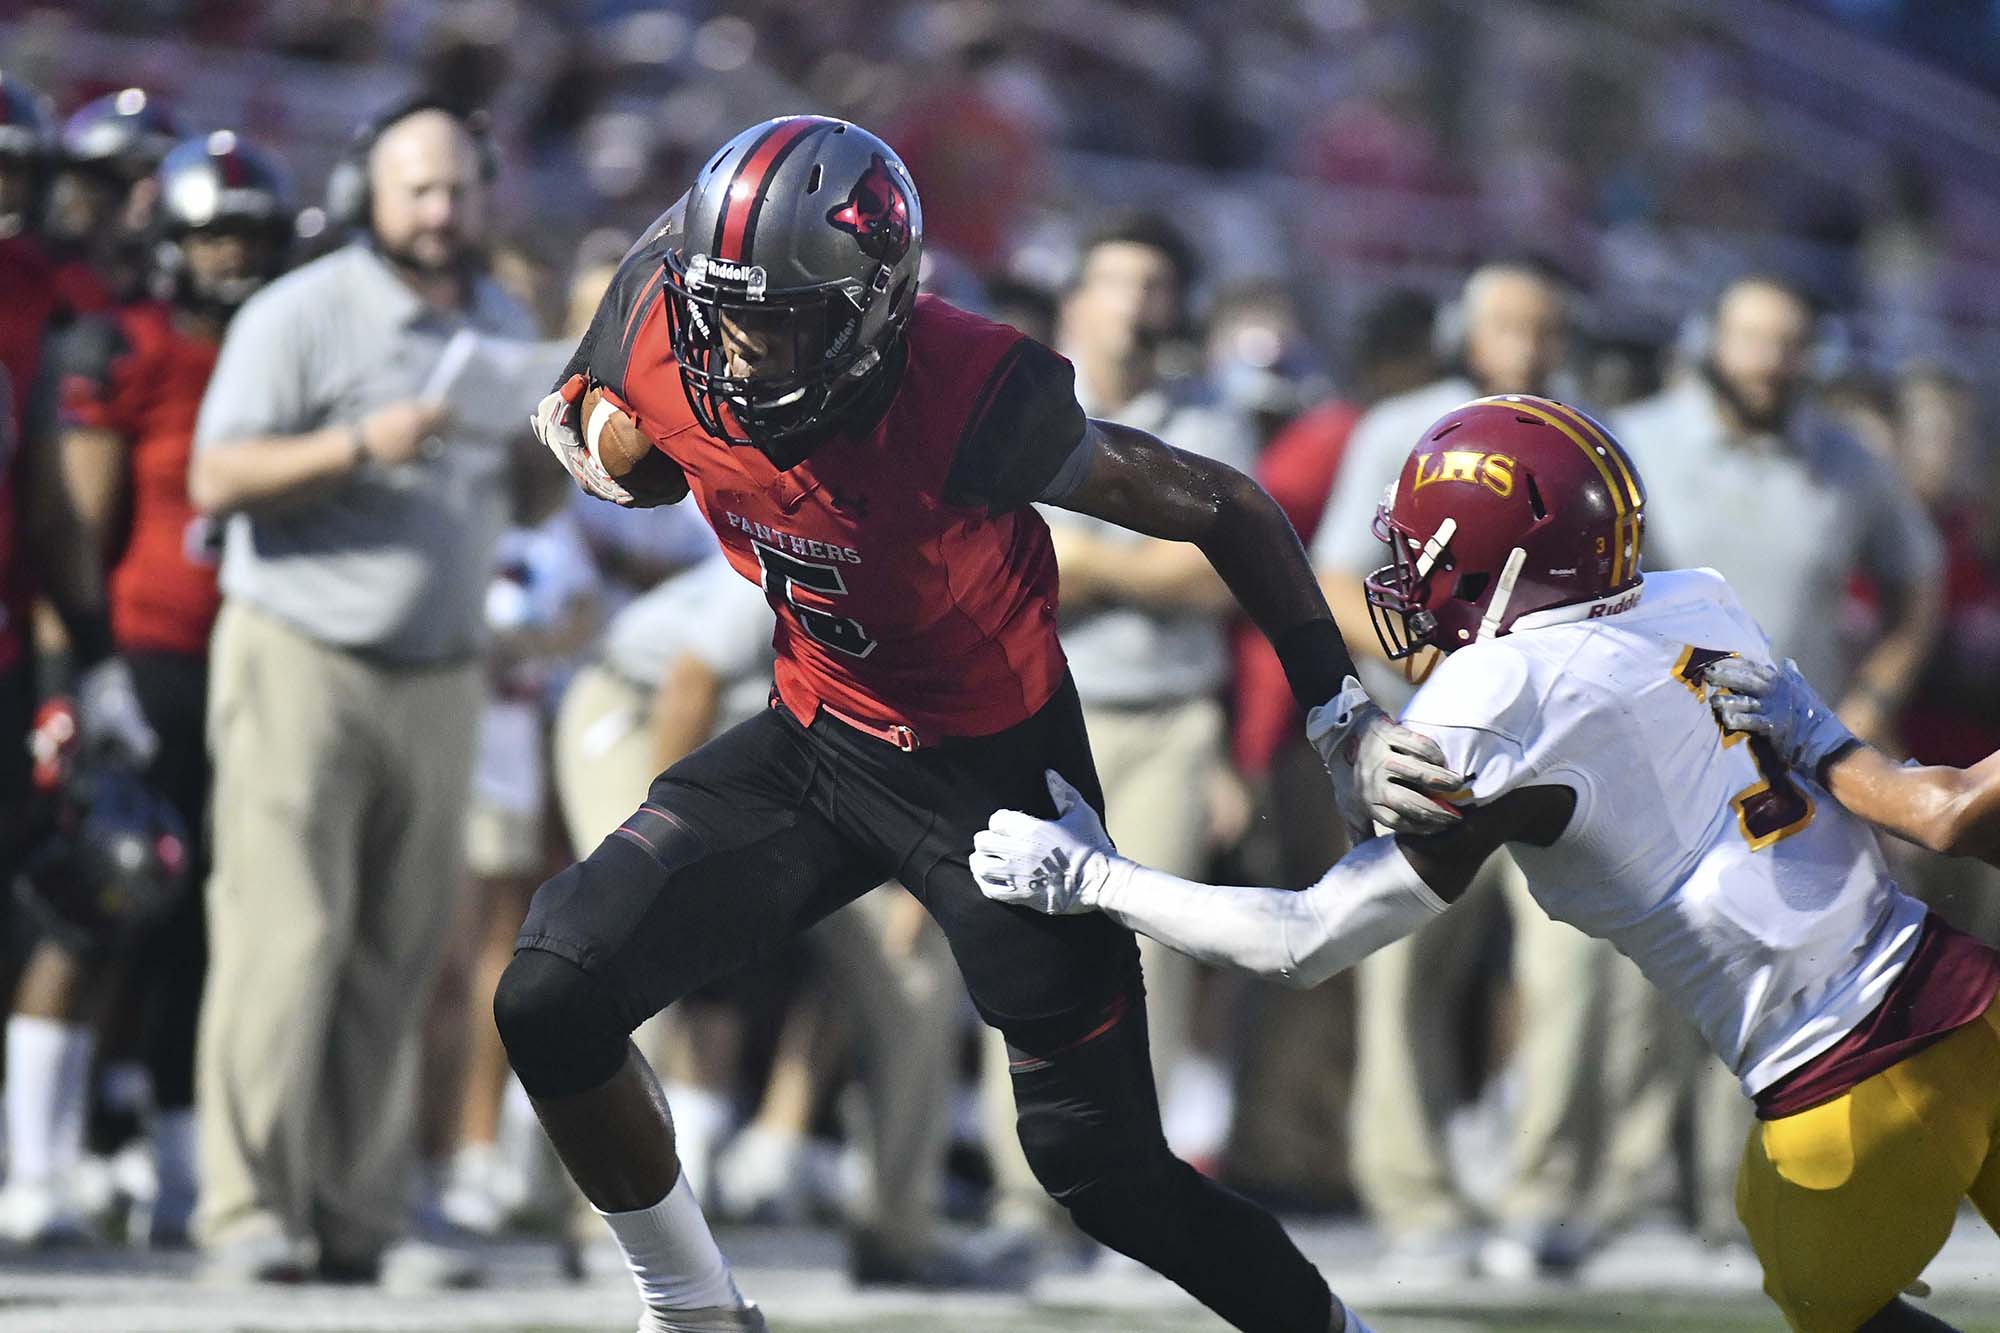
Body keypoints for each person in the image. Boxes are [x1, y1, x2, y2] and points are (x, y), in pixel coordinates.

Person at [503, 114, 1458, 1333]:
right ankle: (693, 1311)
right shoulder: (661, 315)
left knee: (1102, 1171)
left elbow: (1223, 504)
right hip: (814, 736)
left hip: (996, 783)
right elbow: (608, 387)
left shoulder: (971, 396)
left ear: (870, 313)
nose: (739, 355)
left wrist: (1338, 712)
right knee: (551, 992)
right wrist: (594, 426)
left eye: (781, 322)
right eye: (725, 316)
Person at [976, 393, 2000, 1333]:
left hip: (1838, 1091)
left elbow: (1305, 939)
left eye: (1430, 554)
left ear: (1508, 563)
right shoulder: (1696, 600)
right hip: (1970, 998)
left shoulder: (1503, 694)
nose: (1412, 578)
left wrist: (1095, 878)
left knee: (1828, 1302)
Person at [186, 97, 537, 1288]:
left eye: (458, 189)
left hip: (440, 671)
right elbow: (216, 474)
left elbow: (524, 499)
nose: (440, 211)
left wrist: (555, 449)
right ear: (366, 196)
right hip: (303, 653)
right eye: (417, 189)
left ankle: (363, 1217)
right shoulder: (300, 311)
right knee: (284, 938)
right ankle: (247, 1212)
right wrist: (356, 446)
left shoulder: (500, 318)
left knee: (399, 950)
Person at [1608, 274, 1946, 1244]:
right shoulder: (1631, 440)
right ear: (1708, 340)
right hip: (1649, 755)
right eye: (1752, 339)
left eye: (1788, 343)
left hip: (1784, 765)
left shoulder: (1845, 459)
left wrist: (1870, 699)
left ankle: (1739, 1201)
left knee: (1771, 972)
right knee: (1631, 983)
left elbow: (1917, 580)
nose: (1768, 361)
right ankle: (1621, 1193)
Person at [0, 131, 292, 1249]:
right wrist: (88, 670)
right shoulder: (124, 343)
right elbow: (70, 527)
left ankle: (176, 1163)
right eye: (215, 237)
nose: (233, 258)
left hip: (255, 657)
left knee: (204, 925)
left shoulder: (281, 344)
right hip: (147, 655)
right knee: (95, 894)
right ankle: (38, 1162)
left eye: (250, 237)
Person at [1311, 260, 1607, 1277]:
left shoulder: (1593, 440)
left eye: (1544, 326)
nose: (1525, 346)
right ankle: (1416, 1201)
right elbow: (1335, 578)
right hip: (1427, 735)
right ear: (1465, 333)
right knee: (1398, 965)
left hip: (1555, 745)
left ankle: (1543, 1197)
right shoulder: (1404, 428)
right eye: (1506, 325)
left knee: (1572, 966)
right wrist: (1431, 663)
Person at [1037, 211, 1259, 1169]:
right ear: (1076, 301)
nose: (1136, 304)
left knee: (1152, 951)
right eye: (1118, 282)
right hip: (1044, 712)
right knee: (1037, 946)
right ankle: (1036, 1183)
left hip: (1172, 719)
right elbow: (1005, 566)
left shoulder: (1210, 415)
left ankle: (1135, 1172)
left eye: (1155, 286)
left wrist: (1088, 563)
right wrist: (1152, 564)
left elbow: (1223, 576)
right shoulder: (1028, 406)